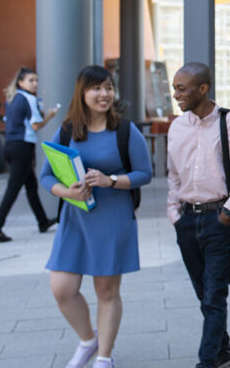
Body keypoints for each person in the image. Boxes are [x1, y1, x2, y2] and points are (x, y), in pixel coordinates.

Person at [41, 65, 153, 368]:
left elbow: (145, 173)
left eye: (108, 88)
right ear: (83, 92)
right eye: (96, 88)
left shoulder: (125, 131)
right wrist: (67, 193)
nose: (104, 94)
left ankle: (104, 356)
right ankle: (88, 340)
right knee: (62, 289)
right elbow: (46, 177)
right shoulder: (67, 129)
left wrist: (112, 181)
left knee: (106, 290)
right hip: (75, 220)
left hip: (112, 218)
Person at [167, 62, 230, 368]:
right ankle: (224, 350)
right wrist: (174, 214)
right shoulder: (177, 127)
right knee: (203, 293)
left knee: (214, 297)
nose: (176, 94)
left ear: (203, 88)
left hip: (218, 219)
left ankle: (206, 362)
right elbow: (173, 176)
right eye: (175, 88)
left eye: (182, 88)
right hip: (186, 221)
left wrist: (227, 212)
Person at [0, 67, 59, 242]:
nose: (35, 84)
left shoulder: (12, 98)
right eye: (31, 80)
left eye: (36, 80)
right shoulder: (29, 99)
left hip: (11, 145)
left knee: (31, 186)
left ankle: (42, 221)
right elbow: (36, 126)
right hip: (22, 148)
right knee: (13, 189)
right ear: (20, 82)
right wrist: (50, 116)